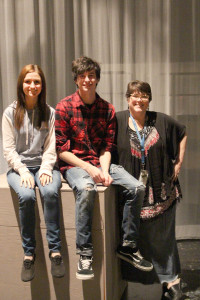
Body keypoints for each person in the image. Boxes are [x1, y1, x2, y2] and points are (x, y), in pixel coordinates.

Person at [55, 56, 153, 281]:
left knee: (138, 187)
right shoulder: (64, 106)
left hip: (101, 161)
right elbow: (61, 150)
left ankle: (128, 246)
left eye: (91, 76)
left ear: (97, 79)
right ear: (76, 79)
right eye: (82, 76)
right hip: (74, 164)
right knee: (87, 189)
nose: (87, 80)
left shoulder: (107, 109)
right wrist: (90, 169)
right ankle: (85, 254)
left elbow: (107, 148)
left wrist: (105, 170)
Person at [115, 80, 187, 300]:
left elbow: (182, 132)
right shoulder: (117, 120)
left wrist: (178, 164)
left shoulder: (161, 120)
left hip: (162, 193)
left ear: (149, 99)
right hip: (132, 195)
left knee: (164, 239)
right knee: (135, 242)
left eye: (144, 95)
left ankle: (172, 282)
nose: (139, 100)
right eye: (135, 95)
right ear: (127, 98)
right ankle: (139, 282)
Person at [2, 64, 65, 282]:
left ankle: (55, 251)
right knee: (27, 196)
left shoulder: (48, 112)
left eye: (37, 82)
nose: (32, 85)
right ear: (21, 84)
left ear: (42, 85)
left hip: (44, 166)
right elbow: (9, 150)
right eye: (28, 81)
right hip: (19, 168)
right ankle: (29, 253)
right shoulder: (10, 113)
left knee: (49, 192)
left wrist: (46, 168)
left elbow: (50, 146)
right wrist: (23, 172)